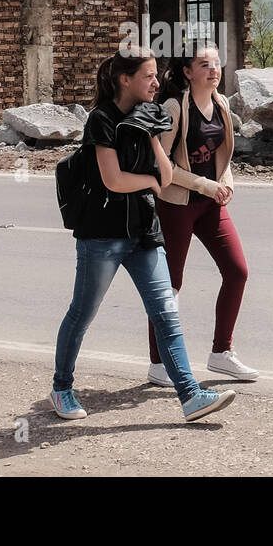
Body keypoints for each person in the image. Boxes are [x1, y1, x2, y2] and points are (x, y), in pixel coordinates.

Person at [50, 46, 236, 423]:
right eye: (149, 76)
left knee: (167, 313)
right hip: (102, 235)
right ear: (125, 80)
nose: (156, 82)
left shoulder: (151, 114)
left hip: (144, 234)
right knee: (82, 314)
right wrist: (150, 179)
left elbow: (167, 177)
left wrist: (151, 133)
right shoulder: (100, 119)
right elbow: (113, 179)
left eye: (156, 75)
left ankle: (191, 396)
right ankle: (62, 388)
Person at [145, 40, 259, 387]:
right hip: (177, 205)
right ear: (187, 72)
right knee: (170, 286)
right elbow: (161, 167)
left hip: (211, 205)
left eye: (216, 63)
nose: (213, 69)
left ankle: (221, 353)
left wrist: (226, 184)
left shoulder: (222, 104)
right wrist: (207, 186)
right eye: (204, 64)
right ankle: (158, 363)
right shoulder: (173, 109)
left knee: (237, 272)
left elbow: (221, 156)